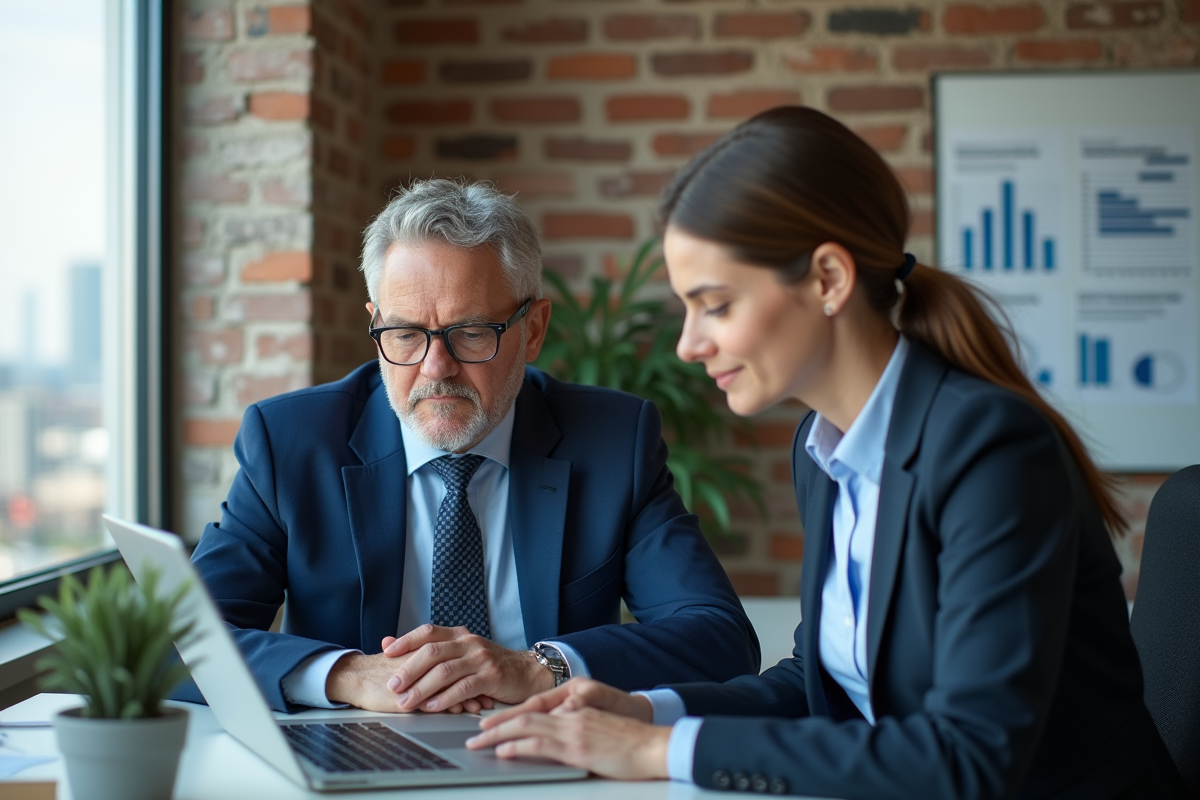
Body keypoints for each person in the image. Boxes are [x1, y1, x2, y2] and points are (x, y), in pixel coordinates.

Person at [467, 107, 1187, 799]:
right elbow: (818, 686)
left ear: (828, 280)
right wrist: (646, 713)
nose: (688, 344)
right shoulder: (823, 452)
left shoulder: (990, 448)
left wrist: (659, 753)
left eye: (716, 304)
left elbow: (970, 755)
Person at [183, 179, 760, 715]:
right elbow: (177, 641)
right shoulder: (291, 442)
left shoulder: (612, 441)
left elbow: (719, 637)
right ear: (375, 324)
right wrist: (347, 675)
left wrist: (540, 668)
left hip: (546, 751)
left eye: (471, 332)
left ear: (533, 330)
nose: (436, 367)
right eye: (404, 334)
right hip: (350, 751)